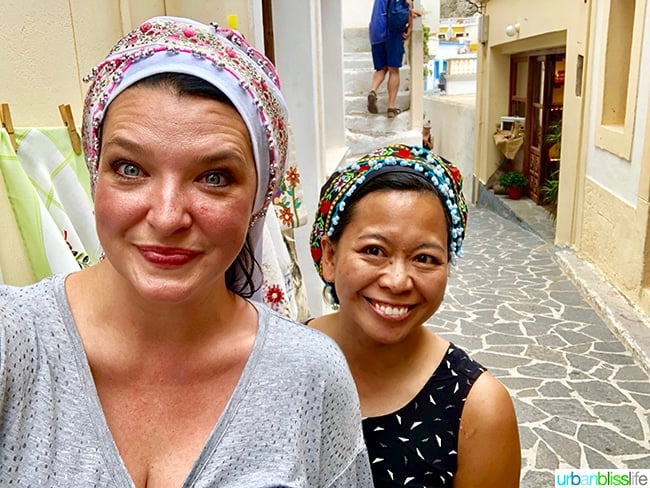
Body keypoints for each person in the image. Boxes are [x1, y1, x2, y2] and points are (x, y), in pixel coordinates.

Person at [0, 16, 373, 487]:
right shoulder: (15, 344)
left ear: (259, 200)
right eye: (131, 168)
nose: (167, 216)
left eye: (214, 177)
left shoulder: (311, 377)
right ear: (96, 174)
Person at [309, 144, 521, 487]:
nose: (397, 281)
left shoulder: (478, 407)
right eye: (374, 251)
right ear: (330, 257)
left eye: (424, 258)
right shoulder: (276, 363)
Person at [367, 0, 416, 118]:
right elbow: (407, 4)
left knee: (381, 68)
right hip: (392, 33)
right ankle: (391, 107)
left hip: (376, 30)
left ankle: (373, 91)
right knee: (393, 70)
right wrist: (410, 25)